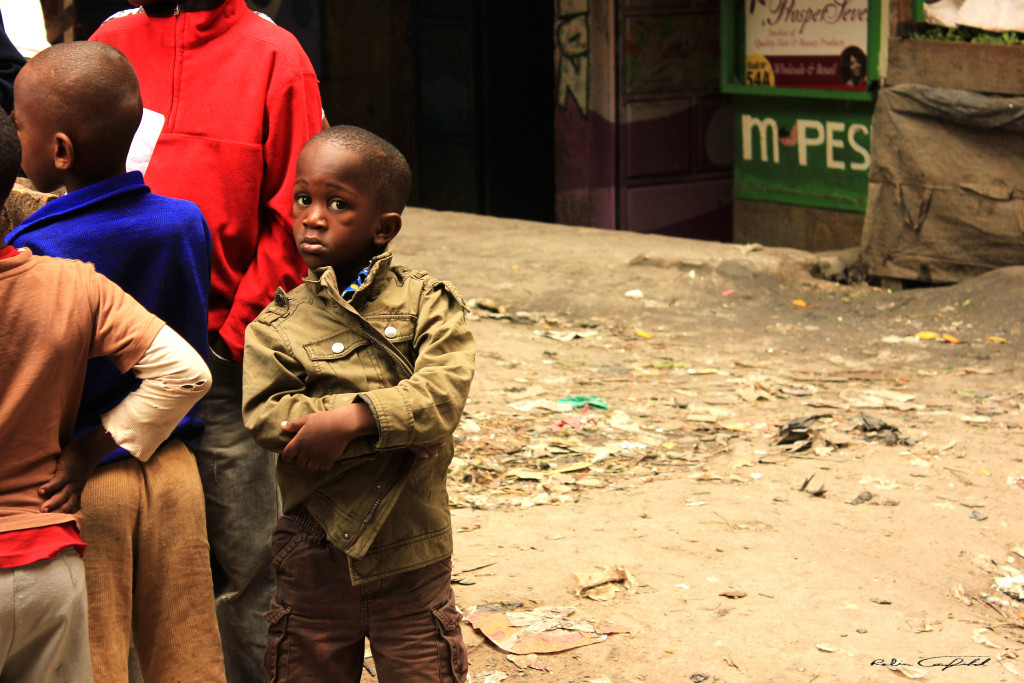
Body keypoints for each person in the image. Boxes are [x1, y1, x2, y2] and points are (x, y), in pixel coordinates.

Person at [90, 2, 324, 679]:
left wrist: (232, 334)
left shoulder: (275, 57)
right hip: (114, 354)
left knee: (252, 553)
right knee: (123, 543)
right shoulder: (112, 39)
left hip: (226, 357)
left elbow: (297, 210)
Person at [6, 41, 226, 682]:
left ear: (60, 151)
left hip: (82, 478)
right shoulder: (186, 221)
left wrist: (87, 448)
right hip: (174, 466)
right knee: (184, 650)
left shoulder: (40, 249)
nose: (16, 138)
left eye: (20, 126)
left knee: (93, 655)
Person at [242, 126, 475, 683]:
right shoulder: (275, 326)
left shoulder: (427, 304)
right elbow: (268, 416)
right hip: (313, 548)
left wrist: (349, 420)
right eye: (304, 198)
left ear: (384, 227)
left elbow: (442, 394)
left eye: (338, 203)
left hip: (410, 545)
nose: (313, 216)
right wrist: (394, 422)